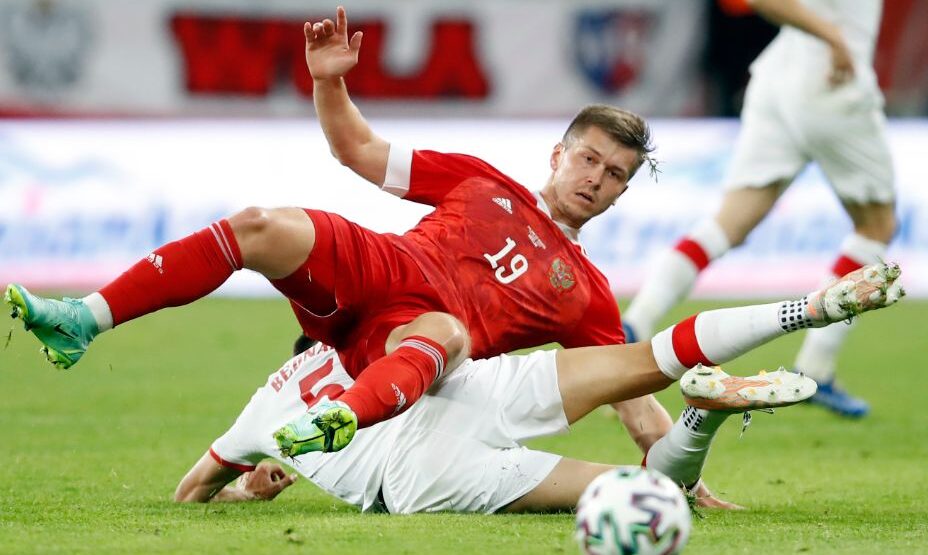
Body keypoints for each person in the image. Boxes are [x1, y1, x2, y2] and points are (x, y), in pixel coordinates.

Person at [5, 7, 664, 458]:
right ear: (558, 153)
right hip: (382, 267)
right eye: (588, 158)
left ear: (622, 192)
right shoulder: (479, 179)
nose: (595, 178)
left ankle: (338, 420)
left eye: (613, 174)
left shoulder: (587, 294)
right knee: (261, 225)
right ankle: (84, 318)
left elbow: (632, 394)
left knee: (447, 333)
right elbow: (358, 149)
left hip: (412, 341)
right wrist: (329, 82)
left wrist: (680, 474)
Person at [173, 262, 902, 510]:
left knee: (648, 493)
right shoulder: (382, 335)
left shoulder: (262, 408)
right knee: (646, 354)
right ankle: (805, 309)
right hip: (464, 389)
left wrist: (244, 492)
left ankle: (702, 416)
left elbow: (191, 491)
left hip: (419, 472)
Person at [622, 0, 895, 418]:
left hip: (779, 79)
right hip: (832, 82)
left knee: (729, 223)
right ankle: (817, 368)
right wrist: (833, 37)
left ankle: (635, 324)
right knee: (876, 226)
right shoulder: (833, 45)